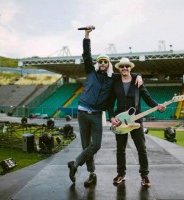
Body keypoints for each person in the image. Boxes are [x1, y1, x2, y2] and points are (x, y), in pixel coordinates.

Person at [68, 27, 143, 187]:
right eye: (100, 61)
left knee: (96, 145)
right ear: (97, 63)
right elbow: (86, 55)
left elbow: (127, 73)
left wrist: (138, 75)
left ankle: (74, 164)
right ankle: (91, 174)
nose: (102, 63)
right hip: (82, 113)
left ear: (108, 64)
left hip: (96, 115)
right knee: (85, 145)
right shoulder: (90, 72)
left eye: (105, 61)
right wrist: (87, 36)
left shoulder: (112, 78)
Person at [108, 57, 166, 187]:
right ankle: (121, 174)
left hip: (136, 120)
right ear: (119, 68)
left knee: (141, 149)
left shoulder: (137, 81)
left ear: (130, 68)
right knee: (120, 149)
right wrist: (111, 117)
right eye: (122, 66)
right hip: (120, 120)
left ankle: (144, 176)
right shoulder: (115, 81)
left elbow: (147, 97)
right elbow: (110, 103)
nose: (124, 68)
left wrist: (158, 106)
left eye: (127, 66)